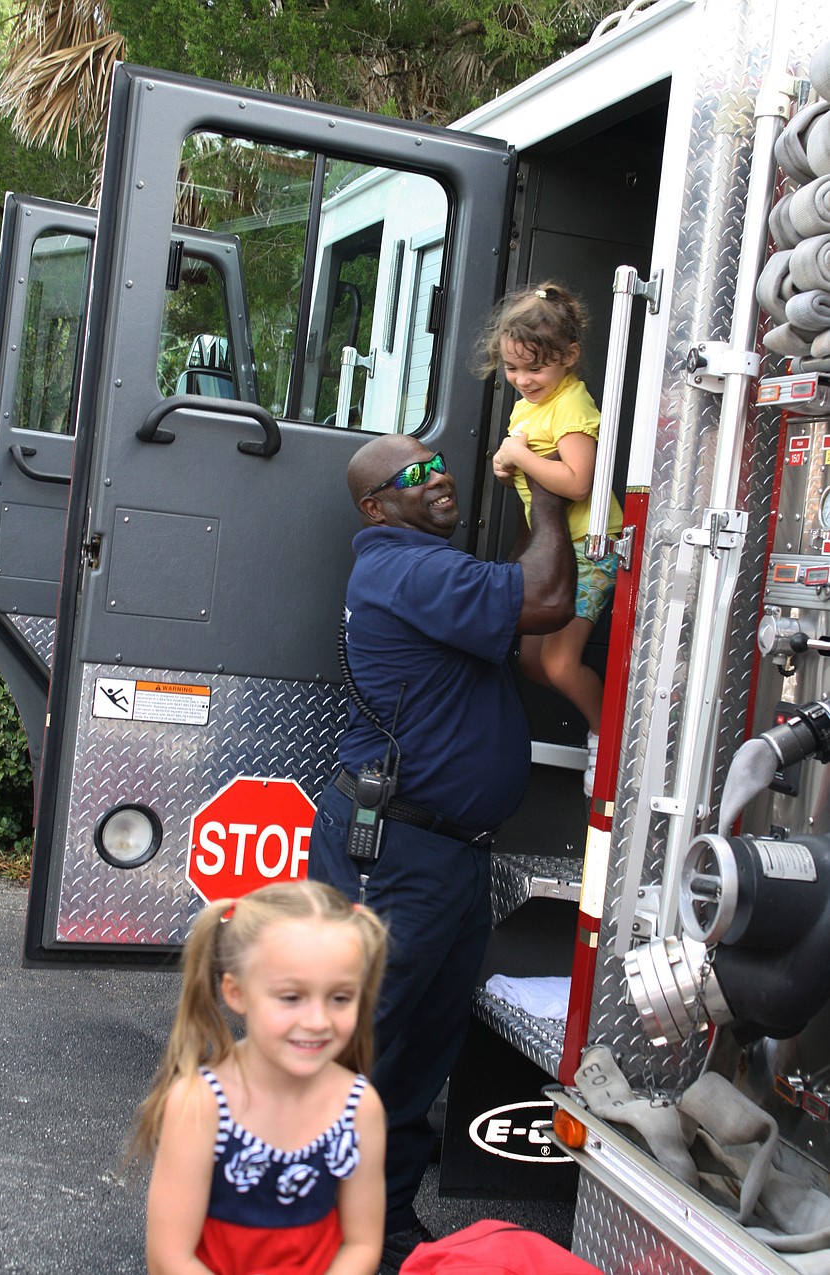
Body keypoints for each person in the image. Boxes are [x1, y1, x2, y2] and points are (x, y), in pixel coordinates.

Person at [308, 433, 576, 1272]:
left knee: (418, 1061)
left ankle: (382, 1236)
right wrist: (555, 492)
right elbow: (544, 596)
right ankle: (306, 1239)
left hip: (445, 857)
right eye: (409, 475)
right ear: (374, 505)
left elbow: (536, 642)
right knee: (357, 1055)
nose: (436, 478)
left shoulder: (429, 574)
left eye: (436, 463)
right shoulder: (407, 567)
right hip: (396, 856)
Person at [131, 880, 388, 1275]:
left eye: (340, 998)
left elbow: (362, 1243)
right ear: (237, 994)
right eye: (290, 997)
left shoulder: (359, 1107)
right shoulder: (200, 1104)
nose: (317, 1021)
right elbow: (170, 1258)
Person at [481, 281, 623, 798]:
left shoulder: (570, 407)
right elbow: (525, 466)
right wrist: (507, 462)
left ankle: (608, 740)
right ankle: (603, 729)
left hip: (590, 548)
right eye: (513, 368)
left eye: (535, 368)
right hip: (554, 550)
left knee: (560, 663)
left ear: (569, 357)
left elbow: (578, 482)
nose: (522, 380)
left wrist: (517, 456)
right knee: (533, 663)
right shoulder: (529, 406)